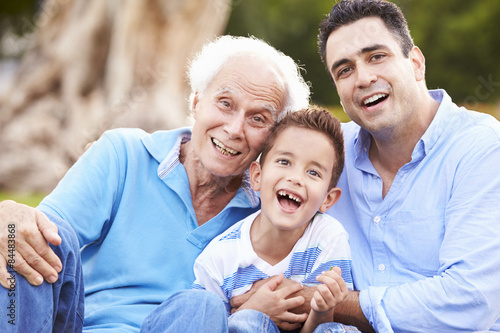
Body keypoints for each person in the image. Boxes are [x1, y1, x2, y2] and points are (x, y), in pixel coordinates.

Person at [0, 35, 310, 332]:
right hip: (80, 325)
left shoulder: (270, 211)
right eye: (225, 103)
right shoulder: (123, 154)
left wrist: (246, 312)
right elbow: (42, 234)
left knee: (202, 306)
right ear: (196, 103)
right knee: (27, 241)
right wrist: (11, 218)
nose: (234, 128)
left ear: (273, 138)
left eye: (258, 119)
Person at [313, 0, 500, 331]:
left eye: (377, 56)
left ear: (415, 63)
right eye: (344, 70)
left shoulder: (482, 148)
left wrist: (330, 304)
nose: (363, 78)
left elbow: (469, 302)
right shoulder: (327, 152)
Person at [191, 108, 353, 333]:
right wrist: (250, 312)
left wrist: (322, 310)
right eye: (285, 162)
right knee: (212, 312)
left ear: (328, 199)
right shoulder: (219, 258)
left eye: (313, 173)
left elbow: (322, 328)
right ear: (257, 176)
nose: (295, 178)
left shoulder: (327, 238)